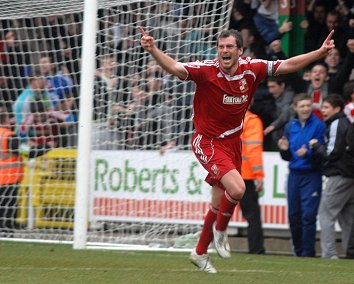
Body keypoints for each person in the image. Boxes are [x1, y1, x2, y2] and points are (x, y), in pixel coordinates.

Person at [139, 27, 335, 273]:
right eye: (221, 47)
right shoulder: (207, 70)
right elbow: (176, 68)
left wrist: (319, 53)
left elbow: (287, 65)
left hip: (233, 142)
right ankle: (220, 231)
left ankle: (200, 253)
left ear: (240, 51)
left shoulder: (252, 68)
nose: (224, 51)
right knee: (238, 188)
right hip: (207, 141)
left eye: (230, 47)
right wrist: (154, 49)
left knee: (218, 201)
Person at [0, 107, 50, 236]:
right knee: (7, 210)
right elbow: (28, 152)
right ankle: (6, 233)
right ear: (6, 120)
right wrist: (47, 147)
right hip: (8, 179)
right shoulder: (8, 136)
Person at [278, 93, 326, 257]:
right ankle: (298, 252)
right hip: (294, 175)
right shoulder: (290, 126)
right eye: (302, 106)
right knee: (294, 215)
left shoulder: (319, 125)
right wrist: (283, 149)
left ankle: (307, 253)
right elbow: (287, 156)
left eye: (308, 105)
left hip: (311, 175)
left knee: (308, 216)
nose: (305, 109)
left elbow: (322, 154)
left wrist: (309, 153)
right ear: (295, 108)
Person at [309, 94, 354, 259]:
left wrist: (316, 146)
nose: (323, 110)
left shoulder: (336, 123)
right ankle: (350, 253)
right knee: (348, 216)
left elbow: (332, 152)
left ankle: (329, 254)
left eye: (326, 107)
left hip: (339, 174)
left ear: (337, 109)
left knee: (326, 213)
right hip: (350, 174)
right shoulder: (347, 121)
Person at [240, 107, 265, 254]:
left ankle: (206, 246)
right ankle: (256, 249)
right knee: (252, 216)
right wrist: (259, 174)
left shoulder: (226, 117)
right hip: (245, 176)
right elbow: (253, 149)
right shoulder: (251, 120)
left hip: (224, 173)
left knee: (219, 213)